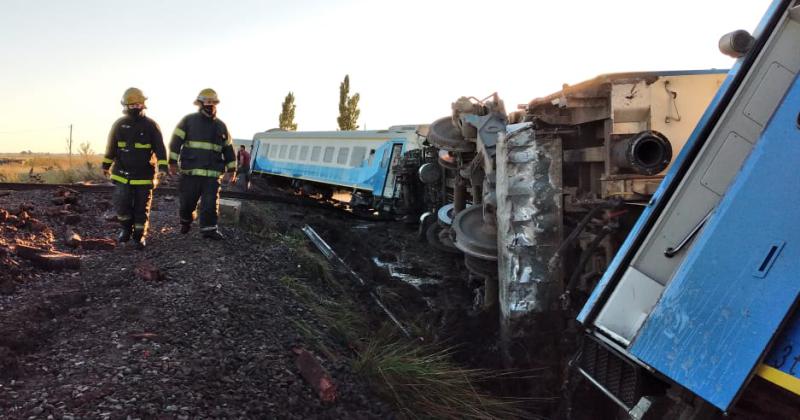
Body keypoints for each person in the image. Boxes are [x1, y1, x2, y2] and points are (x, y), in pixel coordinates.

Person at [102, 87, 167, 249]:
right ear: (125, 106)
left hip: (144, 175)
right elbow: (111, 147)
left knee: (141, 207)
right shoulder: (119, 125)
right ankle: (125, 230)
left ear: (143, 105)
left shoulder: (151, 126)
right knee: (121, 204)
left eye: (138, 104)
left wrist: (163, 168)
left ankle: (139, 236)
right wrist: (106, 165)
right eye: (132, 105)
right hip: (122, 174)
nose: (135, 107)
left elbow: (160, 148)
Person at [168, 88, 236, 240]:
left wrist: (232, 169)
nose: (209, 105)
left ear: (216, 104)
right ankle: (186, 221)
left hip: (212, 175)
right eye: (206, 102)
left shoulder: (221, 126)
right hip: (190, 173)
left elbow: (228, 149)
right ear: (200, 103)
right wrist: (172, 162)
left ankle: (209, 230)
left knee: (210, 203)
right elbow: (175, 142)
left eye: (212, 102)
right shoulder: (188, 121)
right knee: (187, 203)